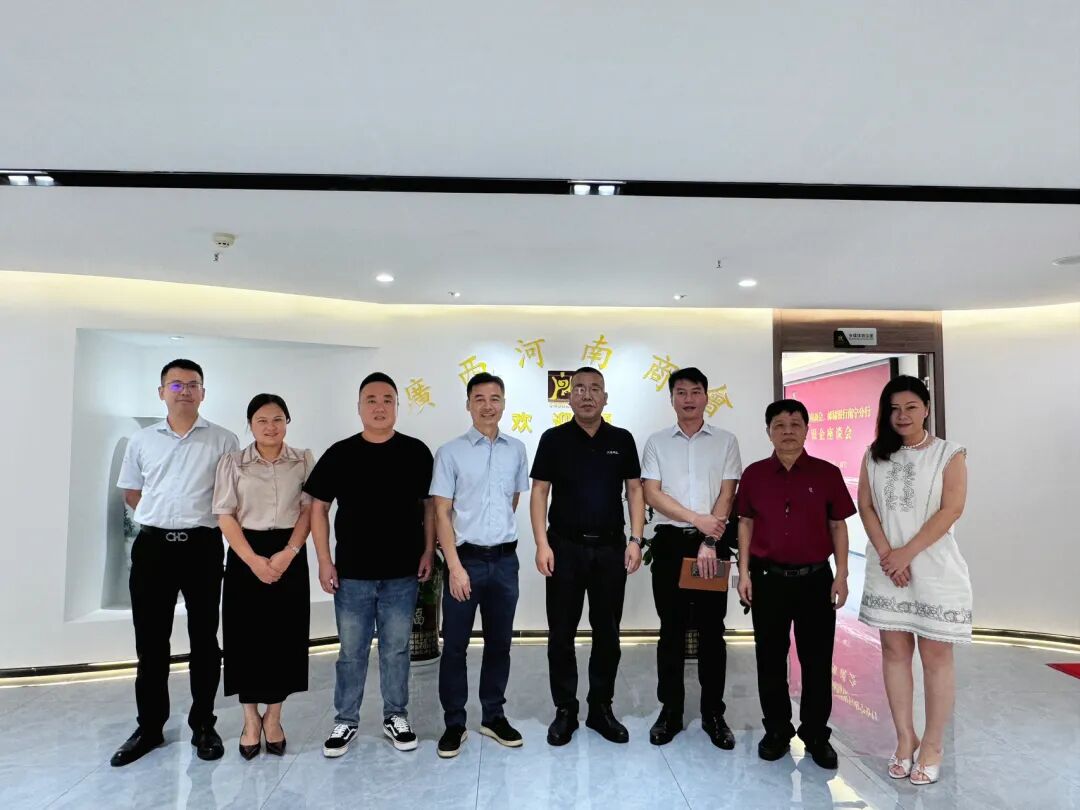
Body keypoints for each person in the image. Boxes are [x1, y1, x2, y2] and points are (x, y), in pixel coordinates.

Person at [111, 359, 239, 767]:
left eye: (192, 384)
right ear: (162, 391)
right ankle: (149, 727)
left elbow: (230, 496)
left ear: (203, 392)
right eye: (176, 384)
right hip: (153, 549)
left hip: (203, 547)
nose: (184, 391)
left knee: (205, 641)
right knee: (151, 644)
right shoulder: (142, 440)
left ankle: (203, 724)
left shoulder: (224, 440)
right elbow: (132, 493)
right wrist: (161, 519)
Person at [303, 372, 436, 758]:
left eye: (387, 400)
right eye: (372, 400)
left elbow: (430, 507)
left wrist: (429, 551)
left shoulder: (415, 452)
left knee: (396, 651)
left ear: (397, 406)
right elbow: (318, 508)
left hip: (402, 574)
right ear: (359, 407)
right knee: (351, 652)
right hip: (352, 575)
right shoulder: (341, 453)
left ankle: (396, 716)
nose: (380, 407)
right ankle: (346, 719)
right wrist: (324, 561)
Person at [857, 375, 971, 786]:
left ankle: (933, 745)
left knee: (936, 658)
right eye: (893, 409)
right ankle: (906, 739)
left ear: (925, 408)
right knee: (894, 653)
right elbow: (866, 507)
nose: (901, 415)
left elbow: (951, 509)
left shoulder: (949, 454)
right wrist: (889, 554)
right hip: (888, 568)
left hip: (935, 568)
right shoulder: (875, 454)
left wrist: (906, 553)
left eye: (909, 407)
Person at [735, 398, 855, 770]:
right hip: (767, 579)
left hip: (815, 580)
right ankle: (777, 730)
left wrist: (842, 574)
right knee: (770, 658)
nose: (787, 432)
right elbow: (745, 524)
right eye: (779, 425)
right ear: (768, 431)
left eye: (795, 425)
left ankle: (816, 733)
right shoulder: (754, 475)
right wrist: (743, 573)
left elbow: (838, 525)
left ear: (806, 429)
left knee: (817, 660)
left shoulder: (826, 474)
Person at [530, 367, 646, 746]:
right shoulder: (553, 439)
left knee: (608, 633)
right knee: (561, 634)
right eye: (579, 388)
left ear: (605, 398)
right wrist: (542, 544)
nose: (587, 395)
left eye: (595, 389)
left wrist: (636, 539)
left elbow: (634, 491)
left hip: (611, 549)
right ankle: (565, 709)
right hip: (564, 547)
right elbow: (539, 492)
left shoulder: (621, 440)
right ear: (569, 397)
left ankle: (601, 708)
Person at [640, 367, 742, 749]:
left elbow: (728, 494)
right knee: (671, 630)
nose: (688, 399)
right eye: (680, 392)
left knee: (713, 630)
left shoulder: (726, 441)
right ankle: (671, 711)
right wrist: (696, 520)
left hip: (712, 544)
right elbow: (652, 493)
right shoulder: (656, 442)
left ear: (706, 397)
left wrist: (709, 538)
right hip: (670, 545)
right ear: (671, 399)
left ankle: (714, 713)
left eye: (695, 391)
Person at [431, 372, 530, 759]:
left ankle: (493, 716)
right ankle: (454, 723)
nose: (488, 406)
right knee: (455, 646)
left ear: (503, 403)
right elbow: (441, 512)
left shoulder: (516, 449)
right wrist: (454, 566)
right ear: (468, 404)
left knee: (500, 643)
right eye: (480, 399)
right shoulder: (450, 452)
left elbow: (512, 501)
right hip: (465, 560)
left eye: (495, 398)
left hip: (505, 561)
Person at [213, 394, 314, 759]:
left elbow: (309, 510)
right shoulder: (233, 462)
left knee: (283, 638)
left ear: (287, 422)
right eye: (262, 420)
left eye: (277, 419)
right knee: (245, 639)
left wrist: (289, 552)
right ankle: (250, 719)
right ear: (250, 424)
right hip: (246, 552)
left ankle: (273, 717)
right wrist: (253, 561)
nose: (271, 427)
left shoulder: (302, 460)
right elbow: (224, 514)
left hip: (289, 551)